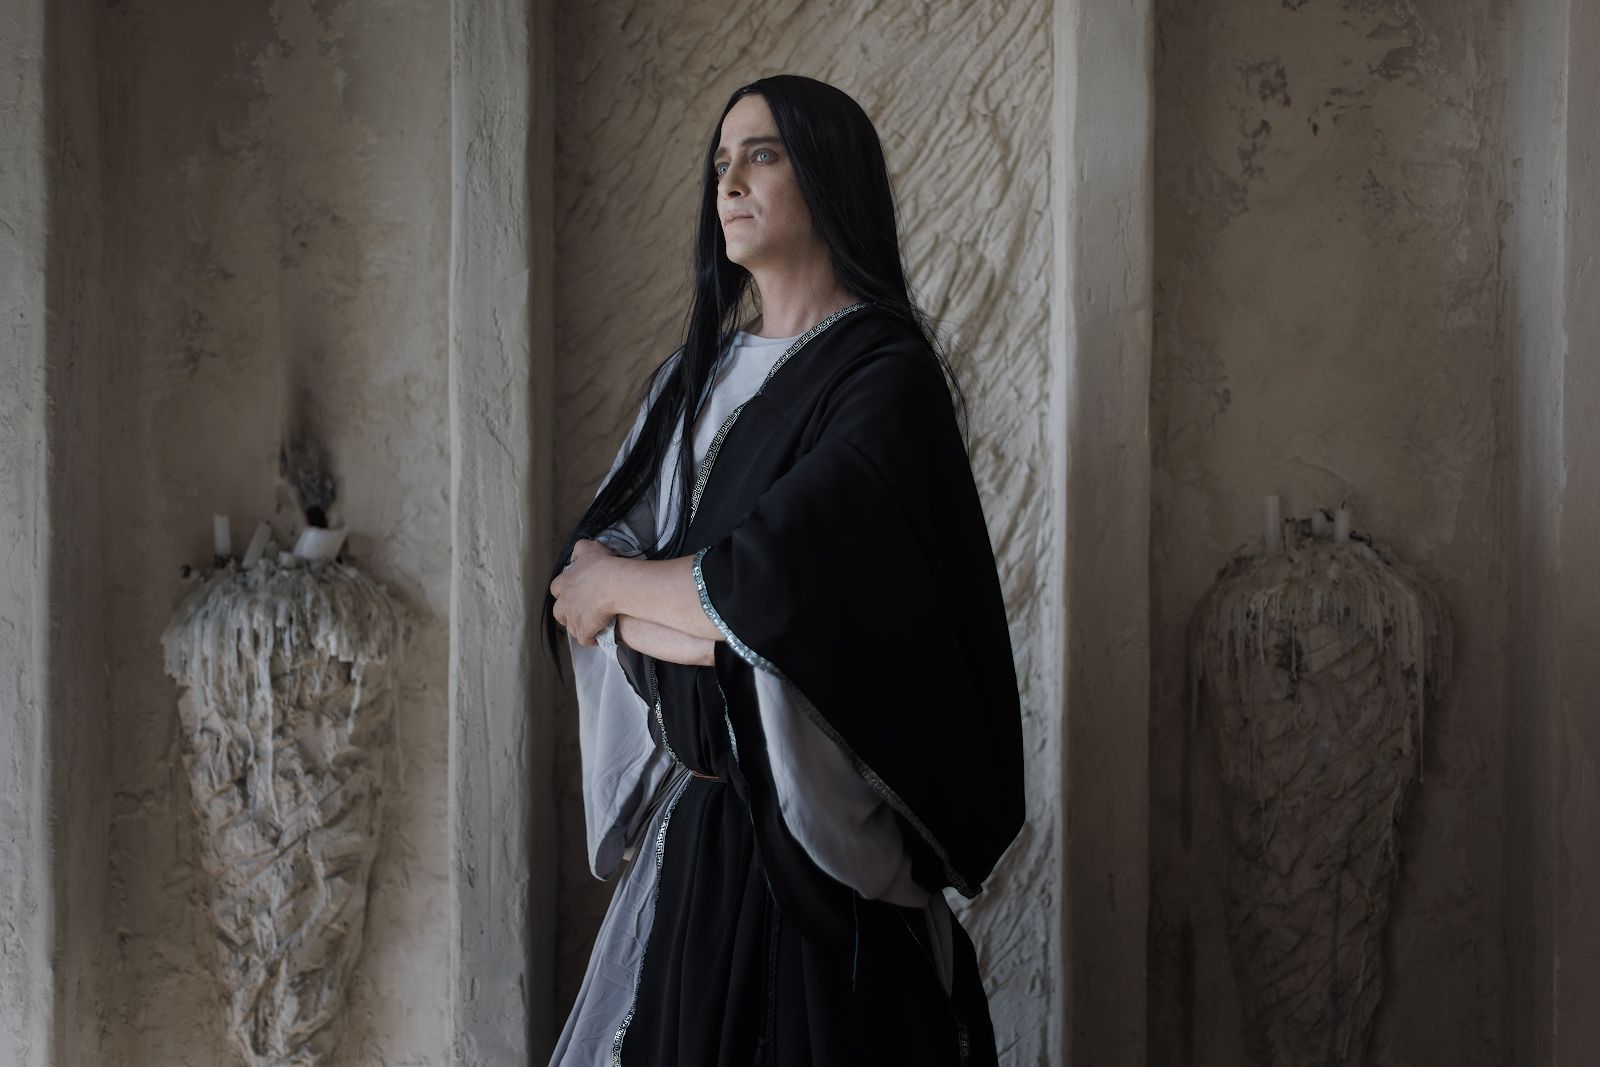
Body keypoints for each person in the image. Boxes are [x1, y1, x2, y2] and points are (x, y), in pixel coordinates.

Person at [544, 74, 1023, 1067]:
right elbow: (588, 572)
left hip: (818, 870)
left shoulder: (881, 377)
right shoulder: (691, 381)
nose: (729, 182)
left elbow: (771, 584)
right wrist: (707, 624)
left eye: (761, 154)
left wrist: (635, 598)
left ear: (829, 175)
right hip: (701, 845)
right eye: (721, 161)